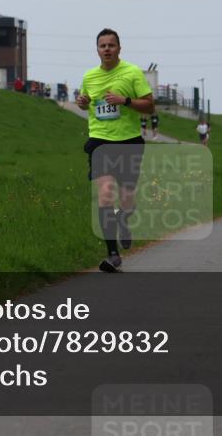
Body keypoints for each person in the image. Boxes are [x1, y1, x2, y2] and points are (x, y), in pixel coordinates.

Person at [75, 28, 155, 273]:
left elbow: (150, 106)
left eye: (111, 45)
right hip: (100, 141)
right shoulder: (89, 76)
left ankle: (124, 218)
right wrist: (82, 102)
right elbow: (84, 100)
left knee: (127, 198)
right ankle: (112, 254)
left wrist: (125, 101)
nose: (107, 49)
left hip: (129, 142)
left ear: (119, 48)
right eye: (102, 45)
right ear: (97, 50)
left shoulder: (132, 73)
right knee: (105, 194)